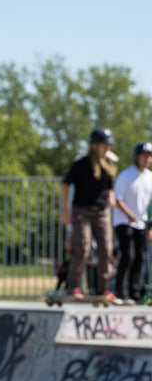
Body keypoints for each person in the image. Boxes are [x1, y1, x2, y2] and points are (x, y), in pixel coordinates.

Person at [61, 127, 118, 301]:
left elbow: (109, 188)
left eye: (109, 145)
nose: (107, 148)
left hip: (101, 212)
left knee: (106, 249)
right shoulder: (81, 164)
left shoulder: (108, 165)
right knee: (83, 247)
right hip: (81, 211)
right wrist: (65, 211)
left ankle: (104, 289)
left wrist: (111, 195)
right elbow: (65, 185)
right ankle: (74, 286)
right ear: (94, 145)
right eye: (104, 145)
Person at [112, 141, 152, 304]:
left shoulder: (149, 177)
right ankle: (122, 292)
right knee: (128, 255)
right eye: (144, 156)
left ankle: (135, 293)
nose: (147, 160)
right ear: (137, 158)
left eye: (150, 157)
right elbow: (117, 199)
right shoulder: (126, 176)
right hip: (123, 221)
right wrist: (130, 215)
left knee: (140, 257)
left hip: (141, 223)